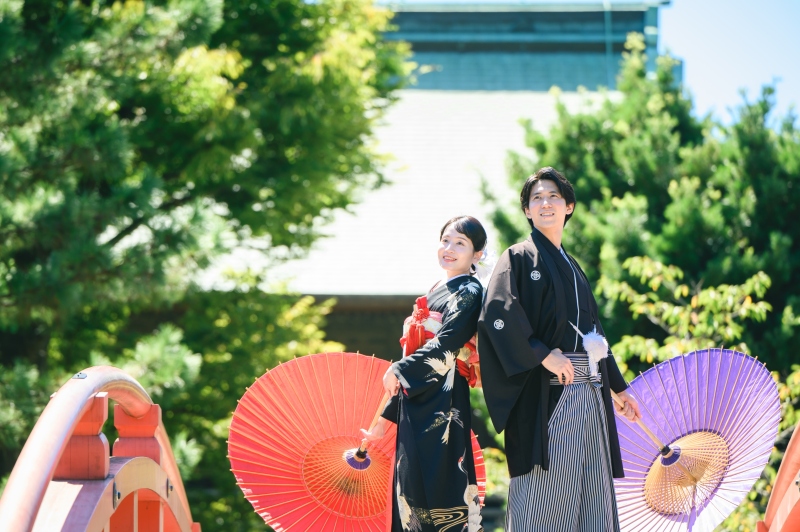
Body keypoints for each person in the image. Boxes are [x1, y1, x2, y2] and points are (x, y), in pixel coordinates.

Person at [477, 167, 641, 531]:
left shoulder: (573, 267)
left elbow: (594, 334)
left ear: (569, 207)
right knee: (545, 499)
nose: (545, 203)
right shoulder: (518, 257)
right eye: (536, 198)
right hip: (550, 395)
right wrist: (541, 353)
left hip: (591, 395)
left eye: (553, 196)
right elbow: (497, 313)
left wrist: (617, 388)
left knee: (592, 500)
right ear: (527, 211)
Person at [361, 215, 487, 532]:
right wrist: (384, 420)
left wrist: (400, 369)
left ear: (477, 254)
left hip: (444, 403)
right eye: (445, 240)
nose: (449, 248)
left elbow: (449, 342)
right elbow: (411, 357)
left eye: (460, 243)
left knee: (441, 490)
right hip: (416, 402)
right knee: (409, 492)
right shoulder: (435, 290)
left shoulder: (470, 290)